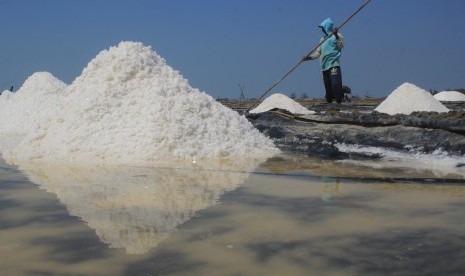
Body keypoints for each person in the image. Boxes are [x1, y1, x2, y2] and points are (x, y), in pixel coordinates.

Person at [302, 18, 344, 104]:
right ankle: (329, 105)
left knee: (335, 85)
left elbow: (341, 46)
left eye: (323, 27)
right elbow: (317, 53)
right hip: (324, 67)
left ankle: (339, 103)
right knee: (328, 89)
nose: (322, 30)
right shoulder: (322, 40)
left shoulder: (337, 36)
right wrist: (308, 58)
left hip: (333, 65)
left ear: (327, 27)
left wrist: (335, 35)